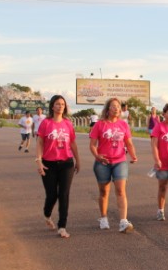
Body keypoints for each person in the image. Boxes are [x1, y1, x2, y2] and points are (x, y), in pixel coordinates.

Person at [89, 98, 138, 233]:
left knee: (121, 190)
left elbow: (128, 143)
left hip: (120, 161)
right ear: (108, 109)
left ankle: (123, 221)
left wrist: (133, 155)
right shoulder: (100, 125)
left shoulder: (123, 125)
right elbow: (92, 145)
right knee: (104, 192)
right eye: (113, 106)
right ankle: (103, 217)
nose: (116, 108)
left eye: (118, 106)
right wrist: (97, 156)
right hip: (103, 162)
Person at [35, 95, 81, 238]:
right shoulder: (46, 123)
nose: (60, 106)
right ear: (52, 106)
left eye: (62, 104)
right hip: (49, 164)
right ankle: (47, 214)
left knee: (64, 194)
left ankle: (62, 226)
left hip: (66, 163)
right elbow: (40, 142)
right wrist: (39, 161)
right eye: (57, 104)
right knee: (52, 195)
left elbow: (72, 143)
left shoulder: (68, 123)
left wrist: (78, 160)